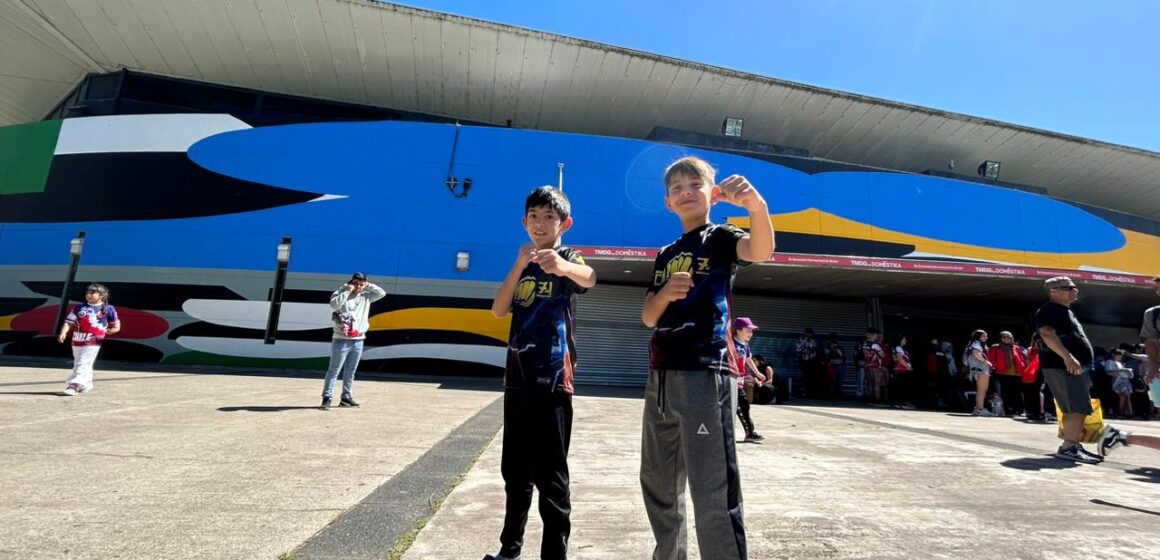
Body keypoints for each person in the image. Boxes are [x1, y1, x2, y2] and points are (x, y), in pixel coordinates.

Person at [640, 156, 774, 560]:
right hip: (660, 378)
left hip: (705, 376)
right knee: (659, 485)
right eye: (677, 188)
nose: (685, 192)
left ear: (712, 193)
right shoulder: (666, 253)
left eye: (694, 185)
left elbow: (762, 251)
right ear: (667, 202)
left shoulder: (720, 237)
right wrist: (664, 295)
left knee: (712, 491)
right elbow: (648, 316)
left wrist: (757, 208)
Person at [485, 186, 596, 560]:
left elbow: (590, 277)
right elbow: (499, 309)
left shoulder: (567, 256)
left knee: (552, 476)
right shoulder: (524, 263)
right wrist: (519, 264)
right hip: (516, 380)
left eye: (549, 216)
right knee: (514, 473)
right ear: (524, 221)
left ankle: (554, 555)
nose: (540, 223)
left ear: (565, 223)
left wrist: (562, 266)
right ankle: (509, 550)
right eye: (534, 216)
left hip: (553, 383)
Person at [1035, 276, 1102, 464]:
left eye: (1075, 287)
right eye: (1068, 288)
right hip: (1064, 366)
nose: (1075, 291)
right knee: (1077, 407)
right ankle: (1069, 447)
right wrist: (1068, 357)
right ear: (1053, 292)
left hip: (1070, 366)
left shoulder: (1064, 311)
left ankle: (1072, 444)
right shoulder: (1050, 310)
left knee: (1074, 406)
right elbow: (1046, 333)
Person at [1100, 275, 1160, 456]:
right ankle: (1120, 437)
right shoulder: (1154, 314)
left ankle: (1120, 436)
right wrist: (1154, 367)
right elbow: (1151, 342)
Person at [320, 272, 386, 410]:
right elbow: (333, 305)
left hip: (358, 340)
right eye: (356, 283)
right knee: (334, 370)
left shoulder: (366, 296)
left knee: (350, 370)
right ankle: (327, 398)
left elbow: (382, 293)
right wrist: (346, 291)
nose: (358, 286)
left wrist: (368, 286)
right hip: (341, 340)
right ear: (351, 282)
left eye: (361, 284)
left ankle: (346, 397)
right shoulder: (340, 293)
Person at [56, 283, 121, 396]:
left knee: (83, 362)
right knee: (80, 362)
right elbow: (69, 322)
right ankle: (86, 385)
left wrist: (115, 329)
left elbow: (115, 323)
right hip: (77, 339)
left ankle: (74, 385)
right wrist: (63, 332)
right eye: (88, 293)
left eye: (92, 293)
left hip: (95, 339)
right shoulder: (79, 308)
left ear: (101, 295)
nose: (89, 295)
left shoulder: (108, 309)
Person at [732, 317, 767, 442]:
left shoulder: (745, 345)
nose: (750, 334)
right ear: (738, 330)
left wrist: (757, 373)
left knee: (743, 405)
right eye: (748, 330)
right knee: (736, 406)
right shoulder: (730, 343)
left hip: (739, 382)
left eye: (751, 331)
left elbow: (748, 359)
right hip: (730, 381)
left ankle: (749, 433)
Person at [987, 331, 1027, 416]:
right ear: (1000, 338)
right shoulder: (995, 347)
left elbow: (1021, 359)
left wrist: (1022, 367)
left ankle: (1017, 410)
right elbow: (991, 359)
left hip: (1016, 374)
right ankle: (1006, 410)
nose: (1006, 339)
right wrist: (996, 367)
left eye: (1008, 337)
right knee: (1004, 393)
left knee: (1016, 393)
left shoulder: (1016, 347)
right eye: (1004, 337)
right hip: (1001, 373)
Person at [964, 330, 995, 416]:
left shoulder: (979, 344)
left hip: (982, 369)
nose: (986, 338)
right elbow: (975, 353)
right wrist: (986, 362)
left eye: (986, 336)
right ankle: (979, 409)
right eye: (984, 336)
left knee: (983, 390)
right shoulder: (976, 343)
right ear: (978, 337)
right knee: (981, 390)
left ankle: (979, 408)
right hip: (979, 369)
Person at [861, 328, 887, 403]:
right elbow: (883, 355)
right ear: (872, 335)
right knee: (876, 384)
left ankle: (871, 398)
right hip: (875, 366)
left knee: (870, 383)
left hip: (867, 365)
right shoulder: (875, 345)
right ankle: (877, 399)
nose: (876, 335)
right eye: (875, 334)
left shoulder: (864, 344)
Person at [796, 327, 823, 397]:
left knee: (812, 377)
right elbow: (798, 349)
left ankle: (810, 392)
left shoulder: (812, 341)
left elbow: (815, 349)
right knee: (805, 376)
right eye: (809, 333)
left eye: (811, 333)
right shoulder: (801, 340)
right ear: (806, 333)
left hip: (812, 361)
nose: (810, 335)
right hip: (804, 360)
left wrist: (812, 351)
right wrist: (807, 350)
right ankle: (804, 391)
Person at [890, 335, 916, 410]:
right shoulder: (898, 348)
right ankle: (905, 403)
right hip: (903, 370)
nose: (905, 341)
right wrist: (908, 367)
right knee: (906, 387)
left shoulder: (898, 348)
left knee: (901, 387)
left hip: (901, 370)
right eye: (904, 339)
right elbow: (899, 358)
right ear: (900, 340)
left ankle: (899, 402)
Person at [822, 333, 845, 397]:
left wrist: (843, 365)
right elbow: (826, 355)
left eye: (836, 338)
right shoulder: (828, 347)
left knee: (839, 380)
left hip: (839, 366)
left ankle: (838, 393)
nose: (836, 340)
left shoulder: (839, 347)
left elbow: (843, 356)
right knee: (831, 380)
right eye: (834, 338)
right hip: (831, 366)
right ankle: (830, 394)